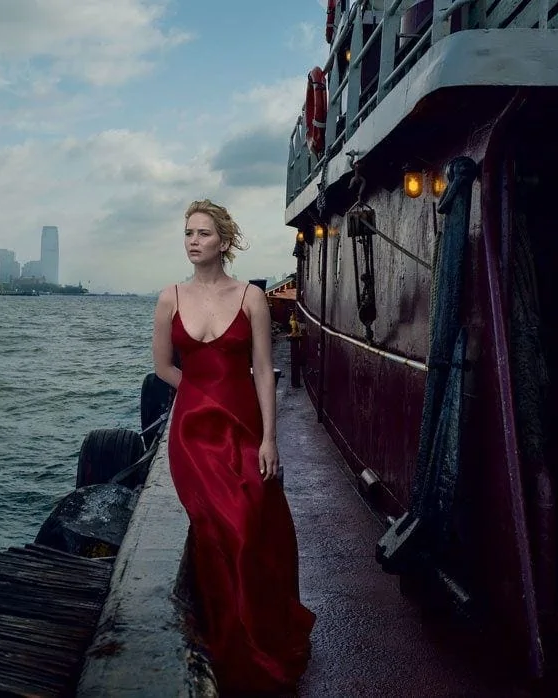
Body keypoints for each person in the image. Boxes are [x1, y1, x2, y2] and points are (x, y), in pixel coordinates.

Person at [152, 199, 315, 694]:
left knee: (254, 525)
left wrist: (270, 438)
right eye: (187, 233)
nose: (192, 240)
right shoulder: (168, 299)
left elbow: (264, 371)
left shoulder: (251, 298)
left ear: (223, 242)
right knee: (216, 531)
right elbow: (163, 367)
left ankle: (260, 634)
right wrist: (199, 394)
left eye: (202, 233)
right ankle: (227, 644)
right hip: (192, 435)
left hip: (244, 427)